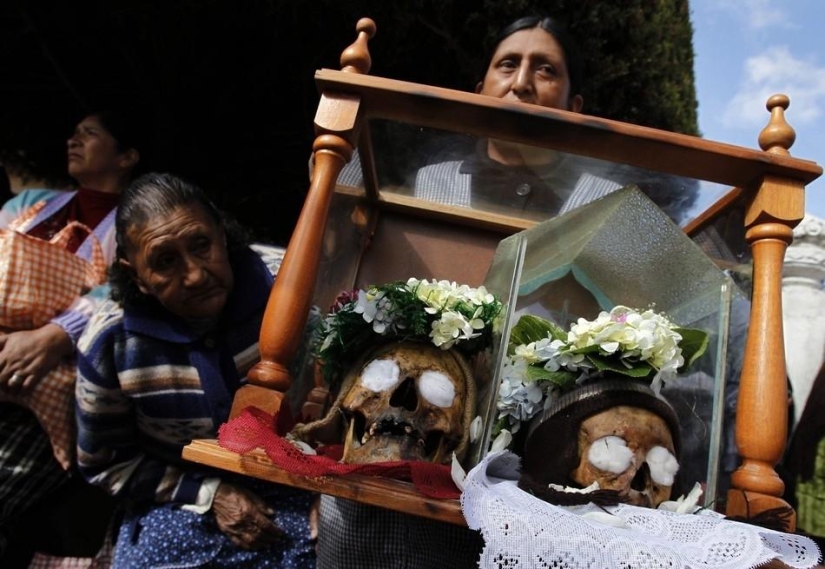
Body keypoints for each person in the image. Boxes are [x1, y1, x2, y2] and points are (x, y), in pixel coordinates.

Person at [75, 172, 316, 568]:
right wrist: (211, 494)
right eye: (165, 262)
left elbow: (344, 401)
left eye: (201, 246)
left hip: (303, 481)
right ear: (136, 277)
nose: (195, 275)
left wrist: (329, 492)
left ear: (222, 235)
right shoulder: (111, 343)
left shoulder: (290, 286)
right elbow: (106, 462)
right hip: (183, 498)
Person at [0, 110, 142, 565]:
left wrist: (54, 335)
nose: (74, 139)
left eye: (90, 133)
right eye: (74, 131)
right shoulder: (30, 204)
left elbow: (123, 294)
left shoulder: (134, 225)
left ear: (127, 157)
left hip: (46, 396)